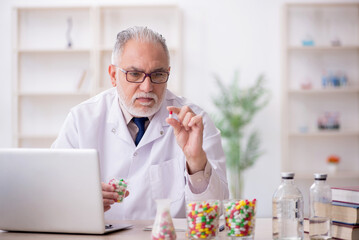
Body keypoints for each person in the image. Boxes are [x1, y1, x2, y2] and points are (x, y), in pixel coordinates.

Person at [52, 26, 229, 219]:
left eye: (158, 75)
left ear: (167, 74)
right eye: (134, 74)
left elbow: (216, 212)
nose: (147, 87)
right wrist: (81, 201)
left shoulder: (194, 122)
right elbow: (52, 193)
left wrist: (196, 161)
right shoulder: (82, 120)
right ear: (113, 75)